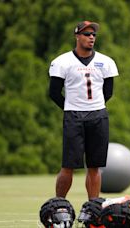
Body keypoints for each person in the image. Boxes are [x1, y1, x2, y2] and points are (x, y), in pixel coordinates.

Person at [48, 21, 119, 200]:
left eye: (93, 34)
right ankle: (59, 204)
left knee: (95, 166)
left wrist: (93, 106)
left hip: (98, 115)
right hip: (74, 117)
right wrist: (72, 107)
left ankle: (93, 207)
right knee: (68, 165)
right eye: (87, 34)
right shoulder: (62, 62)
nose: (91, 37)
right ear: (77, 36)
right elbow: (54, 93)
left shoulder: (106, 61)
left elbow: (108, 92)